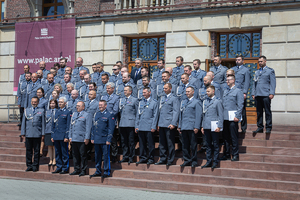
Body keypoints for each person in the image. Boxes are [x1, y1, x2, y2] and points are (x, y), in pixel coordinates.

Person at [220, 75, 243, 162]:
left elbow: (240, 105)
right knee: (225, 137)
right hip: (225, 117)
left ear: (233, 80)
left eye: (229, 80)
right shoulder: (225, 91)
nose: (227, 81)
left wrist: (237, 116)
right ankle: (226, 154)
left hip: (233, 118)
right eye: (226, 80)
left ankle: (235, 154)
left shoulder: (238, 91)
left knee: (233, 137)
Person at [178, 86, 202, 168]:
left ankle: (194, 160)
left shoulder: (196, 102)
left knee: (193, 145)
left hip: (192, 127)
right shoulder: (183, 102)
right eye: (186, 91)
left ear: (193, 92)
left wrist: (197, 127)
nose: (187, 93)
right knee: (185, 145)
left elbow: (198, 115)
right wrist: (180, 125)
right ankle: (186, 160)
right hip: (184, 126)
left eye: (188, 91)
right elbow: (181, 115)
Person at [155, 83, 179, 166]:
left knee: (170, 143)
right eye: (163, 88)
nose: (164, 90)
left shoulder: (174, 98)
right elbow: (159, 112)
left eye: (166, 88)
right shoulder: (162, 98)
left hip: (169, 124)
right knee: (162, 143)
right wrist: (158, 123)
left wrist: (173, 123)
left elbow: (176, 111)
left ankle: (170, 159)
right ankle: (163, 158)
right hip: (162, 123)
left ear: (170, 89)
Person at [90, 100, 115, 178]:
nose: (100, 106)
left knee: (106, 156)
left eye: (101, 105)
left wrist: (109, 139)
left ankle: (106, 171)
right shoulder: (97, 114)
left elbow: (111, 128)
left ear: (105, 106)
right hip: (97, 138)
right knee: (97, 156)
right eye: (99, 105)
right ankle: (98, 171)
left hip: (104, 139)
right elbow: (93, 127)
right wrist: (92, 137)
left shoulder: (109, 115)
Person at [252, 55, 276, 135]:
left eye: (261, 61)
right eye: (259, 62)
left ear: (265, 61)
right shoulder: (257, 71)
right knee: (259, 112)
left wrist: (272, 93)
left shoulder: (270, 71)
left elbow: (273, 83)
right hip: (258, 95)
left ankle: (268, 127)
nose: (260, 63)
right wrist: (253, 93)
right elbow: (254, 83)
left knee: (267, 111)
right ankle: (260, 127)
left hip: (266, 94)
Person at [200, 86, 223, 169]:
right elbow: (204, 114)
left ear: (213, 91)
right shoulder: (205, 101)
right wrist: (202, 126)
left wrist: (219, 126)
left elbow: (220, 114)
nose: (207, 93)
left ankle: (215, 161)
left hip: (214, 126)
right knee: (208, 145)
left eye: (208, 91)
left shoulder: (217, 101)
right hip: (206, 126)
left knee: (216, 145)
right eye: (206, 91)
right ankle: (209, 161)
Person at [21, 97, 45, 172]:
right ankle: (29, 165)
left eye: (35, 102)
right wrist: (23, 132)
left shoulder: (41, 111)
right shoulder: (27, 110)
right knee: (28, 151)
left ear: (38, 102)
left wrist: (43, 133)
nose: (34, 103)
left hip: (37, 133)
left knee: (37, 151)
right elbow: (23, 123)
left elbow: (43, 123)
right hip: (28, 133)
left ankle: (35, 166)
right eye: (32, 102)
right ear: (31, 102)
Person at [135, 87, 159, 165]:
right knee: (142, 144)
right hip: (141, 126)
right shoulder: (141, 102)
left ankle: (151, 158)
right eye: (143, 93)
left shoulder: (154, 102)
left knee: (150, 144)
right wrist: (136, 125)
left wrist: (153, 126)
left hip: (149, 126)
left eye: (145, 92)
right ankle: (143, 157)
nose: (143, 94)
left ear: (149, 92)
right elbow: (138, 115)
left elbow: (155, 116)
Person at [69, 101, 92, 177]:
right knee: (75, 155)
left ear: (83, 107)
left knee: (83, 155)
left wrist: (87, 138)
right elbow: (71, 126)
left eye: (79, 106)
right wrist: (70, 136)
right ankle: (76, 169)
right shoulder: (74, 114)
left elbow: (88, 127)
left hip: (82, 138)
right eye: (76, 106)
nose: (77, 107)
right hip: (74, 138)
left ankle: (83, 170)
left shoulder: (87, 115)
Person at [51, 97, 71, 174]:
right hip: (56, 135)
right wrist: (52, 135)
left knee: (64, 152)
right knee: (57, 152)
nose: (60, 104)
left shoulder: (68, 112)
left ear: (65, 103)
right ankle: (59, 167)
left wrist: (66, 136)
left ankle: (65, 167)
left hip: (63, 136)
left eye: (61, 102)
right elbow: (53, 124)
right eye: (59, 102)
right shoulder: (56, 111)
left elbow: (68, 125)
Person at [119, 86, 139, 163]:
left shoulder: (134, 100)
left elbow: (137, 113)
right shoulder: (122, 100)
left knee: (131, 141)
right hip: (122, 123)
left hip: (131, 123)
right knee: (124, 142)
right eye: (124, 90)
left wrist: (136, 124)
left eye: (126, 90)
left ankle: (131, 157)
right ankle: (125, 156)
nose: (124, 92)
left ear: (130, 91)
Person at [100, 82, 120, 163]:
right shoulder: (103, 97)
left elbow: (115, 110)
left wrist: (106, 115)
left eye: (109, 88)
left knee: (113, 139)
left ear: (113, 89)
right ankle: (104, 155)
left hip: (111, 121)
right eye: (107, 88)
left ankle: (114, 155)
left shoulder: (116, 97)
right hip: (103, 122)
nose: (107, 90)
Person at [231, 56, 251, 133]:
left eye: (239, 60)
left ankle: (243, 127)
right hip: (233, 92)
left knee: (242, 110)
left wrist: (245, 92)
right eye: (236, 60)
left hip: (240, 92)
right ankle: (235, 127)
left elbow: (247, 82)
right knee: (233, 110)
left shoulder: (246, 70)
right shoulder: (233, 69)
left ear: (243, 61)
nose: (237, 61)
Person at [45, 99, 57, 166]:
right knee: (49, 146)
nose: (52, 105)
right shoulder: (47, 112)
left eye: (53, 103)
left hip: (55, 131)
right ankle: (50, 159)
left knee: (54, 146)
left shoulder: (57, 111)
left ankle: (54, 159)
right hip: (48, 130)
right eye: (51, 103)